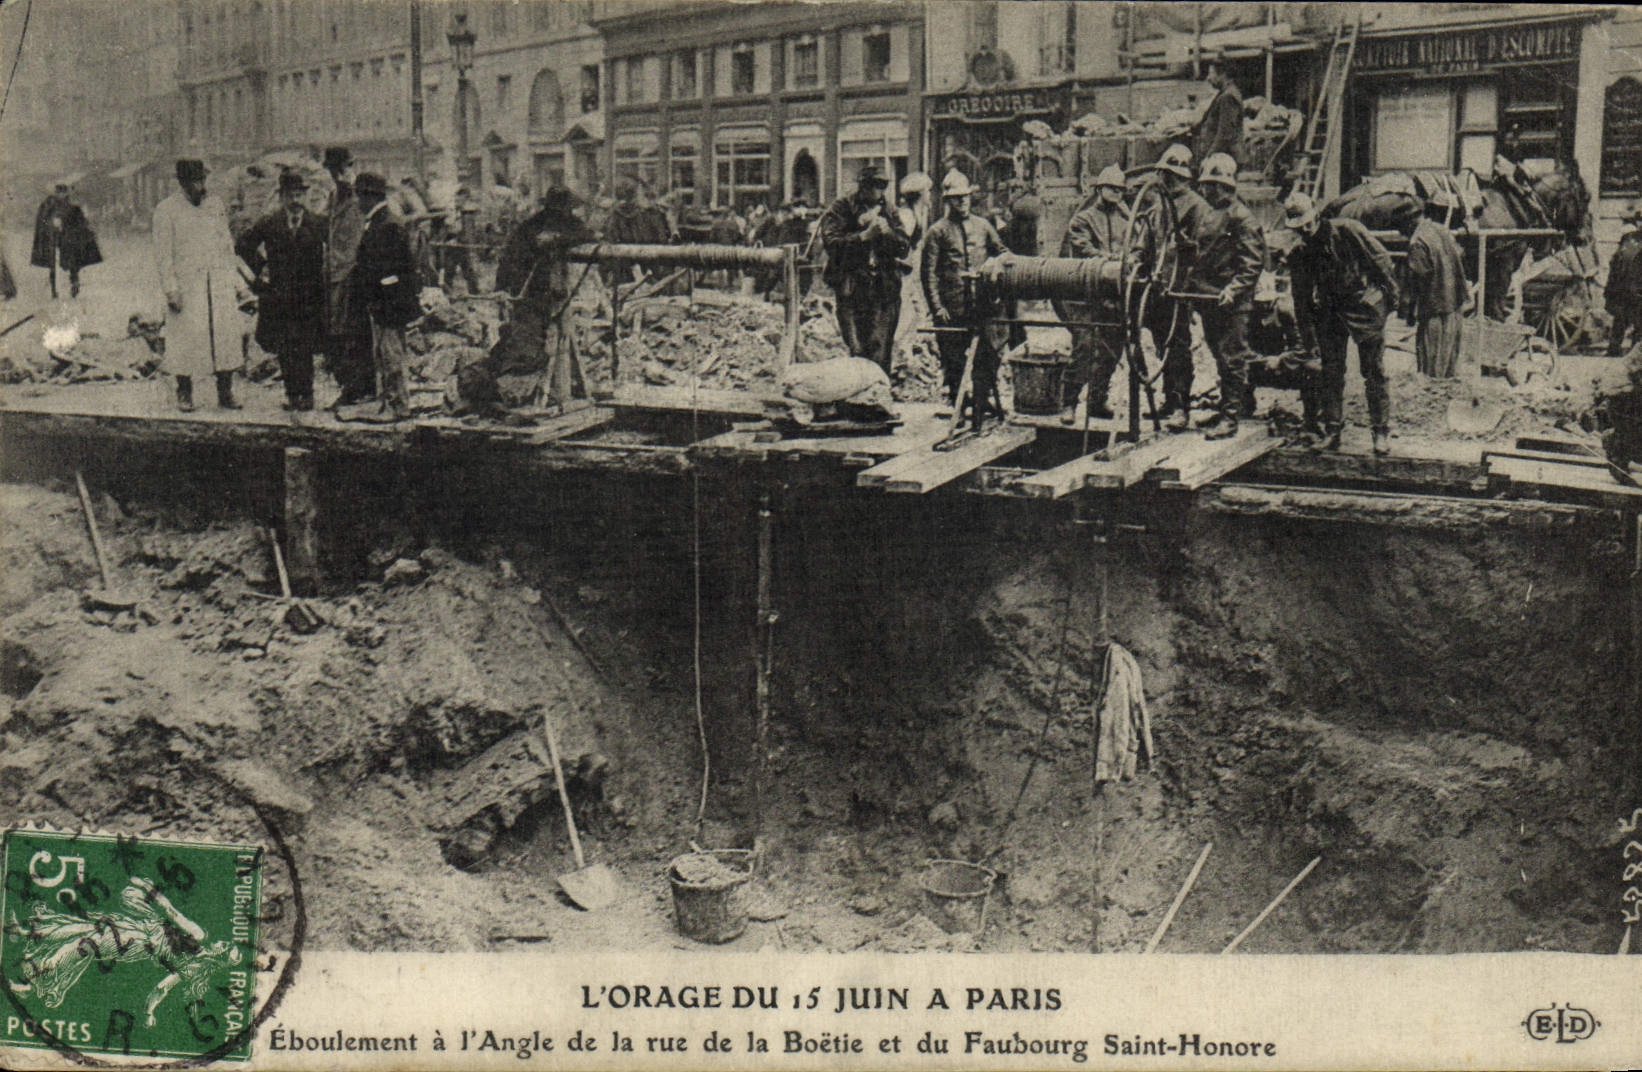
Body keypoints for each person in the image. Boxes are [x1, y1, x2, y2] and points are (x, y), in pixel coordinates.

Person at [1282, 190, 1401, 455]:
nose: (1306, 230)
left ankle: (1380, 432)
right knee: (1331, 373)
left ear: (1315, 213)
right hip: (1329, 314)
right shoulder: (1300, 252)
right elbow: (1300, 299)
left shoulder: (1348, 230)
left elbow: (1381, 261)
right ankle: (1333, 431)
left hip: (1364, 308)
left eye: (1308, 223)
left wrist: (1390, 300)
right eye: (1299, 228)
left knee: (1374, 372)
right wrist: (1307, 336)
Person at [460, 187, 595, 415]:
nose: (568, 213)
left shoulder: (568, 224)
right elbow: (508, 257)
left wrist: (557, 240)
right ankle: (503, 388)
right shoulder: (530, 226)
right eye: (564, 209)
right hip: (529, 294)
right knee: (525, 346)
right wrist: (502, 288)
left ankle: (535, 390)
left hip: (551, 294)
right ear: (553, 208)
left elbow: (587, 235)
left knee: (541, 342)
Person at [152, 159, 249, 412]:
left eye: (203, 180)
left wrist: (236, 283)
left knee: (224, 336)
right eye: (195, 181)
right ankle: (184, 391)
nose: (201, 186)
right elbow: (163, 255)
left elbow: (226, 245)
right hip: (187, 285)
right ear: (183, 182)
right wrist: (171, 289)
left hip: (217, 282)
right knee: (185, 338)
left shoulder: (214, 205)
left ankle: (225, 391)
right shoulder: (166, 210)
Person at [1186, 152, 1264, 439]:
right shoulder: (1210, 213)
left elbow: (1253, 263)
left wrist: (1234, 288)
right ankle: (1230, 408)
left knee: (1233, 356)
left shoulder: (1241, 217)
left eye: (1208, 185)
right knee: (1219, 354)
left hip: (1232, 301)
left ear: (1222, 187)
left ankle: (1231, 418)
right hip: (1210, 298)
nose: (1204, 189)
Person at [921, 168, 1008, 424]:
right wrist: (938, 308)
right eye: (957, 198)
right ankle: (959, 406)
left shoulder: (983, 226)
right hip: (952, 308)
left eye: (966, 197)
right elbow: (929, 274)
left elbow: (1002, 252)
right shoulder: (937, 231)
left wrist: (994, 269)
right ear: (948, 201)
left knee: (987, 355)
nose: (962, 202)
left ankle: (982, 403)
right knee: (954, 360)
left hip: (982, 306)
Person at [236, 170, 329, 411]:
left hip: (310, 297)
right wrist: (261, 273)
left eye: (300, 195)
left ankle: (306, 395)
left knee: (306, 346)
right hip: (279, 295)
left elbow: (336, 251)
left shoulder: (318, 223)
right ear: (282, 197)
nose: (296, 201)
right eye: (291, 196)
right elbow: (243, 246)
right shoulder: (270, 222)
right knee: (286, 346)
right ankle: (291, 394)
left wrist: (326, 279)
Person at [1145, 143, 1214, 429]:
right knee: (1163, 343)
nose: (1161, 178)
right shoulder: (1159, 204)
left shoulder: (1197, 206)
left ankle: (1181, 407)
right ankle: (1169, 400)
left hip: (1180, 288)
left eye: (1165, 174)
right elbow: (1149, 240)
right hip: (1159, 285)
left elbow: (1204, 249)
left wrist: (1187, 280)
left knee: (1179, 344)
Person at [819, 163, 911, 374]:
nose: (877, 193)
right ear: (862, 187)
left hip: (884, 289)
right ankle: (857, 402)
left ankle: (877, 399)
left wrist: (887, 232)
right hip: (852, 288)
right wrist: (863, 237)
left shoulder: (888, 209)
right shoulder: (842, 207)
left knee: (880, 348)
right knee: (857, 347)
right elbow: (831, 243)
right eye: (872, 187)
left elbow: (904, 246)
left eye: (881, 187)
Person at [1059, 165, 1131, 421]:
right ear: (1099, 189)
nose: (1116, 193)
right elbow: (1082, 250)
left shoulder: (1126, 221)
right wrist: (1111, 258)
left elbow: (1134, 249)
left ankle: (1097, 402)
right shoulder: (1082, 220)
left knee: (1112, 349)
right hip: (1086, 296)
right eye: (1111, 188)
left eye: (1120, 190)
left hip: (1114, 296)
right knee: (1084, 348)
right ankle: (1069, 404)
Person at [350, 172, 420, 421]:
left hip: (389, 304)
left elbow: (389, 271)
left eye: (359, 196)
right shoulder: (382, 221)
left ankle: (397, 405)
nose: (357, 202)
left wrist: (376, 297)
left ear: (369, 197)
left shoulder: (386, 225)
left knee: (390, 355)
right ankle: (389, 402)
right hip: (386, 302)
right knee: (384, 353)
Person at [321, 147, 375, 407]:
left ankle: (358, 388)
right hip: (334, 273)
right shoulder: (334, 197)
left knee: (353, 333)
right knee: (337, 332)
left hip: (353, 273)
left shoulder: (359, 197)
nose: (337, 175)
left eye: (341, 169)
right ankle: (351, 385)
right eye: (334, 171)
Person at [1401, 189, 1470, 378]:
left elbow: (1415, 280)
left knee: (1431, 369)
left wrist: (1407, 312)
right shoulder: (1444, 233)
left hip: (1434, 312)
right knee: (1449, 366)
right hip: (1455, 308)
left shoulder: (1418, 241)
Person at [31, 182, 102, 299]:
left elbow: (81, 221)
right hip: (53, 238)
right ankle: (54, 289)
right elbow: (43, 219)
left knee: (72, 261)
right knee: (52, 264)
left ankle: (74, 282)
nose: (61, 195)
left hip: (67, 239)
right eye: (59, 193)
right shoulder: (49, 205)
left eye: (63, 193)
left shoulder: (72, 207)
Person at [1607, 201, 1642, 357]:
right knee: (1619, 320)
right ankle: (1614, 349)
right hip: (1623, 287)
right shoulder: (1628, 238)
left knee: (1639, 324)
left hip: (1638, 290)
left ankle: (1635, 354)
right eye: (1639, 220)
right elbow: (1616, 259)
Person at [1193, 60, 1243, 166]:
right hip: (1220, 157)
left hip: (1223, 160)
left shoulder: (1228, 97)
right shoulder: (1224, 93)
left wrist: (1208, 157)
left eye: (1211, 73)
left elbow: (1225, 134)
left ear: (1222, 75)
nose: (1208, 78)